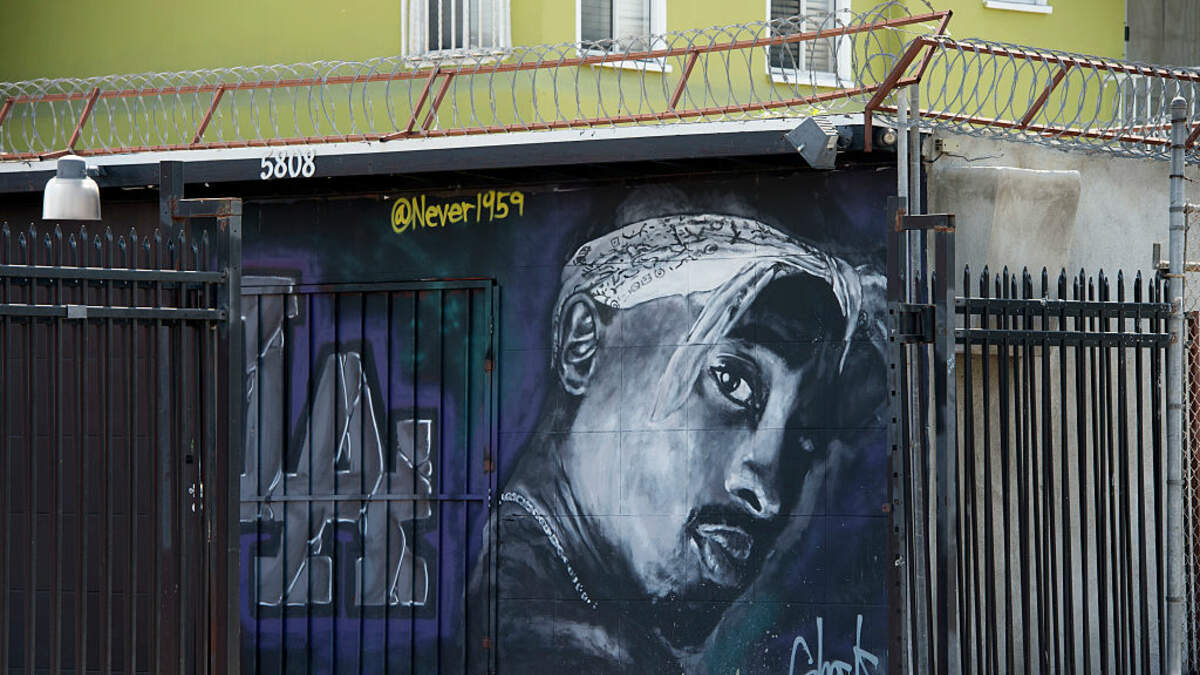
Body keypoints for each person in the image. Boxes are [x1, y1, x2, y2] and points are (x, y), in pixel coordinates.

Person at [468, 213, 885, 672]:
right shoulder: (547, 647)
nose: (768, 493)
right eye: (732, 381)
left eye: (804, 435)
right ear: (581, 346)